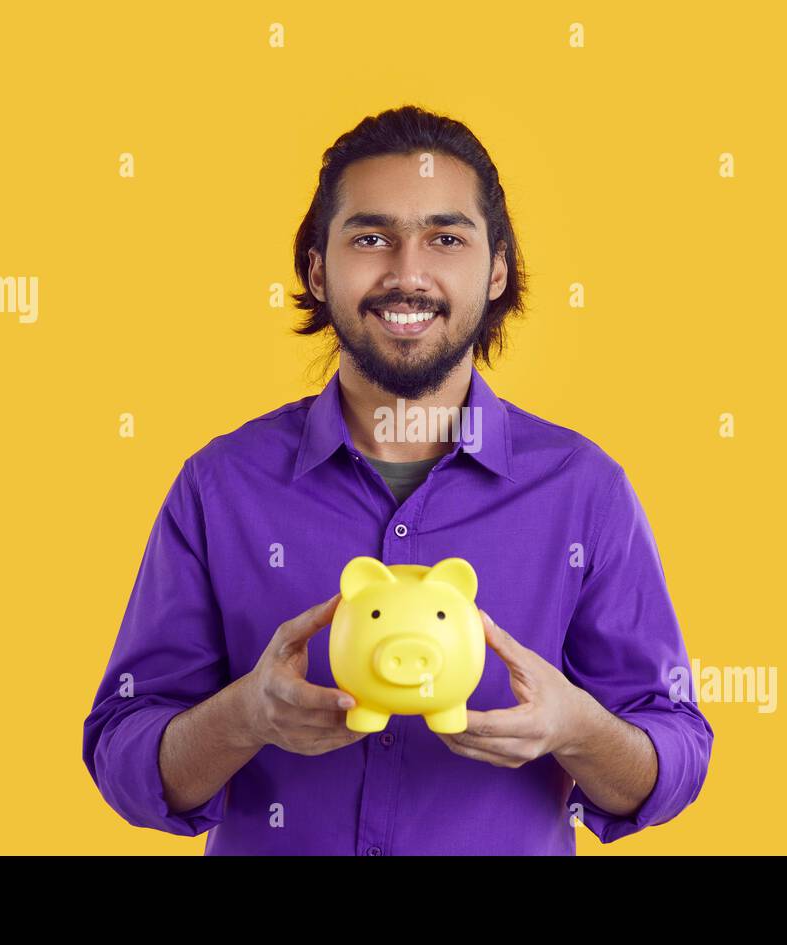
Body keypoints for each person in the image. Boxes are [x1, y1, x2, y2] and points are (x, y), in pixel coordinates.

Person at [82, 104, 713, 855]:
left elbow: (672, 756)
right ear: (318, 269)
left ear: (498, 268)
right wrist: (246, 714)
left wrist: (576, 728)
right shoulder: (220, 488)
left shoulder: (586, 492)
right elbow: (124, 753)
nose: (408, 274)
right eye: (371, 237)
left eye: (446, 238)